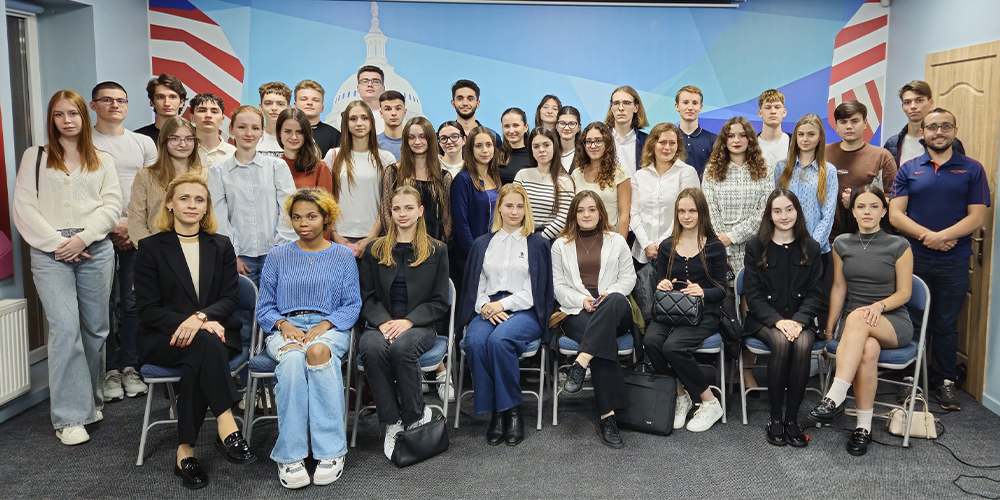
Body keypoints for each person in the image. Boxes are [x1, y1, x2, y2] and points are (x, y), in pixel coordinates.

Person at [12, 89, 122, 445]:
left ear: (83, 116)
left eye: (73, 113)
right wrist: (59, 244)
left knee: (95, 329)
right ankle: (69, 417)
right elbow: (24, 206)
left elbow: (112, 205)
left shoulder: (101, 158)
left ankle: (89, 401)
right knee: (64, 328)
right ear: (52, 119)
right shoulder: (36, 156)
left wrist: (84, 238)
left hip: (95, 248)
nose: (67, 120)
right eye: (59, 115)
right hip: (50, 251)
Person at [133, 173, 256, 489]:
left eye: (199, 199)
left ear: (206, 208)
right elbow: (148, 309)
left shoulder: (221, 245)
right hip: (164, 337)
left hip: (213, 335)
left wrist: (200, 317)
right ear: (170, 204)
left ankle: (185, 453)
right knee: (203, 345)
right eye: (184, 198)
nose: (191, 204)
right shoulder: (150, 248)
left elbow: (230, 298)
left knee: (197, 360)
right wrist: (195, 322)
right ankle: (227, 427)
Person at [257, 188, 361, 489]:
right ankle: (290, 455)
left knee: (317, 352)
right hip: (285, 327)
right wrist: (282, 323)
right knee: (290, 360)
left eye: (312, 216)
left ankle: (330, 451)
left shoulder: (342, 255)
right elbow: (264, 307)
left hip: (329, 327)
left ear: (326, 218)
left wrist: (327, 324)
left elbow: (352, 304)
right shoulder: (278, 255)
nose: (304, 223)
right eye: (297, 217)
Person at [889, 108, 989, 411]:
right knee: (913, 321)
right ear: (923, 133)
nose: (939, 132)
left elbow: (977, 216)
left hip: (954, 260)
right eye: (933, 127)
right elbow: (895, 215)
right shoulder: (908, 168)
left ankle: (945, 382)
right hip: (914, 259)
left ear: (954, 131)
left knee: (946, 323)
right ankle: (909, 379)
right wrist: (928, 237)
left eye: (946, 126)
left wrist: (942, 237)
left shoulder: (973, 169)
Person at [810, 185, 913, 457]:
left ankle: (834, 395)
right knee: (868, 350)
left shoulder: (899, 245)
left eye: (874, 206)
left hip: (892, 320)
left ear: (884, 210)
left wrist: (879, 306)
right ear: (852, 211)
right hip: (856, 328)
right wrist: (830, 327)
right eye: (861, 207)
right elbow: (839, 288)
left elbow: (905, 292)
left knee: (858, 316)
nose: (867, 212)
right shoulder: (841, 243)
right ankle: (863, 427)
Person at [456, 183, 553, 446]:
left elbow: (536, 290)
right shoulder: (483, 243)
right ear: (499, 207)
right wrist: (485, 306)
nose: (514, 211)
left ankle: (512, 412)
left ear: (526, 209)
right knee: (475, 342)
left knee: (500, 341)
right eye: (509, 205)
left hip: (525, 310)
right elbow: (476, 284)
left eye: (519, 206)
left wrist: (503, 305)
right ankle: (497, 412)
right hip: (488, 307)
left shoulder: (537, 243)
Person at [359, 186, 450, 460]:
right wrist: (385, 322)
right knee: (372, 349)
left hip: (420, 325)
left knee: (401, 349)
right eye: (396, 209)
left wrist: (408, 322)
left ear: (421, 211)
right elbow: (366, 297)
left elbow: (439, 301)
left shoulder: (437, 250)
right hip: (381, 323)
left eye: (409, 208)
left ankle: (415, 417)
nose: (402, 214)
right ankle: (392, 422)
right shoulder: (375, 249)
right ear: (390, 213)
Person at [551, 191, 635, 447]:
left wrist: (607, 295)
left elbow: (629, 279)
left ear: (600, 212)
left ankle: (580, 362)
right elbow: (558, 286)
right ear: (574, 214)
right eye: (581, 210)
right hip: (575, 310)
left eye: (591, 210)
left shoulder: (617, 241)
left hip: (612, 305)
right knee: (600, 339)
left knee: (616, 301)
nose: (586, 215)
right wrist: (582, 301)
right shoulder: (560, 244)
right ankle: (607, 417)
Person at [90, 81, 157, 402]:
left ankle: (130, 367)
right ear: (93, 106)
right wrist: (108, 225)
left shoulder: (142, 143)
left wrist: (132, 225)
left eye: (121, 100)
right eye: (107, 100)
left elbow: (153, 190)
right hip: (96, 235)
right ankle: (108, 371)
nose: (115, 105)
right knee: (101, 305)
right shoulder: (82, 141)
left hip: (136, 233)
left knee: (131, 305)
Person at [743, 188, 824, 448]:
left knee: (800, 344)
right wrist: (779, 321)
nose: (784, 216)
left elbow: (816, 293)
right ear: (770, 215)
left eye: (789, 209)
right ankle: (775, 418)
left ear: (797, 212)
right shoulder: (756, 246)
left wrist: (799, 321)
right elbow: (752, 295)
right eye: (777, 211)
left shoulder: (810, 246)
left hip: (801, 319)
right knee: (781, 342)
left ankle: (792, 420)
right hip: (765, 320)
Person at [642, 188, 728, 432]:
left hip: (704, 312)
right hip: (671, 310)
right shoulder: (667, 246)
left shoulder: (714, 247)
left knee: (673, 347)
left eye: (692, 210)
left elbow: (722, 289)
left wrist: (703, 291)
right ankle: (681, 396)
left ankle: (709, 402)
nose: (686, 216)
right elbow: (660, 282)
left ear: (702, 212)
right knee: (650, 342)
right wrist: (663, 284)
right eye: (681, 211)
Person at [208, 105, 297, 286]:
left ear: (262, 132)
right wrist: (231, 255)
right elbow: (218, 218)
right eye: (242, 127)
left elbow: (289, 210)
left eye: (255, 128)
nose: (249, 133)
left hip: (275, 253)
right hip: (240, 257)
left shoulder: (276, 167)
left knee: (277, 308)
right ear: (231, 129)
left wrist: (280, 250)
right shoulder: (218, 171)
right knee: (244, 310)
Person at [702, 116, 773, 277]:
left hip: (756, 248)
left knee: (752, 298)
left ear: (750, 139)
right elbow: (710, 211)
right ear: (724, 140)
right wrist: (722, 246)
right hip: (720, 250)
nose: (737, 140)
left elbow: (765, 212)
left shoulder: (765, 170)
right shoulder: (711, 171)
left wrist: (733, 236)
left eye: (742, 135)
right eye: (731, 136)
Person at [324, 100, 395, 255]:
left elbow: (387, 201)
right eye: (353, 119)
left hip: (375, 238)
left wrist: (371, 237)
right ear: (346, 123)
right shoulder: (333, 155)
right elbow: (325, 200)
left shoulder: (385, 158)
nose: (359, 123)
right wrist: (334, 234)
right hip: (339, 238)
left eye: (364, 118)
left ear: (371, 122)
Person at [824, 101, 897, 244]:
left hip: (867, 238)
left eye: (855, 121)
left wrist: (856, 199)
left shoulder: (882, 157)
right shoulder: (822, 153)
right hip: (827, 237)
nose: (849, 126)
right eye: (843, 122)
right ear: (837, 126)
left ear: (865, 123)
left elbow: (894, 200)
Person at [128, 117, 207, 246]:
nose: (182, 144)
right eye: (175, 139)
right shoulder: (145, 176)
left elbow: (212, 217)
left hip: (196, 247)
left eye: (188, 139)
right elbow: (136, 220)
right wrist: (151, 251)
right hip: (155, 250)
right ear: (164, 141)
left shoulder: (205, 175)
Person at [630, 122, 700, 265]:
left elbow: (686, 213)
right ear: (652, 145)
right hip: (642, 254)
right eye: (662, 142)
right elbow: (634, 214)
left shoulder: (686, 173)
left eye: (672, 143)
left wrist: (663, 244)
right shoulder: (639, 176)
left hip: (677, 252)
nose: (667, 148)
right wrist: (646, 244)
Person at [380, 116, 452, 243]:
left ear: (430, 138)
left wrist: (439, 246)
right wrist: (396, 243)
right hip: (399, 246)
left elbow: (447, 218)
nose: (417, 142)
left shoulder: (443, 177)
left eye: (422, 136)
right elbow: (386, 212)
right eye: (411, 137)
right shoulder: (393, 172)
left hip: (433, 247)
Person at [775, 114, 838, 260]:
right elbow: (776, 209)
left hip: (816, 251)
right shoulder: (782, 168)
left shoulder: (829, 171)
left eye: (811, 134)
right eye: (801, 134)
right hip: (785, 247)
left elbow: (828, 214)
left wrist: (811, 246)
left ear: (820, 137)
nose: (805, 139)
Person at [450, 126, 502, 273]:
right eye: (478, 146)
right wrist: (476, 254)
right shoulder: (463, 180)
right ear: (470, 150)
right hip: (472, 255)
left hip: (496, 252)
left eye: (488, 145)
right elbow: (461, 224)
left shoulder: (495, 177)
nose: (485, 150)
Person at [883, 80, 965, 168]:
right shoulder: (892, 144)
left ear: (931, 103)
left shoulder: (951, 142)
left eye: (919, 100)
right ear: (903, 107)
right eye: (907, 102)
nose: (913, 106)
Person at [570, 122, 630, 239]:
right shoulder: (576, 174)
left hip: (609, 238)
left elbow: (624, 214)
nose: (593, 146)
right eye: (589, 141)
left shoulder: (620, 174)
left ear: (607, 144)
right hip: (580, 239)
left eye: (598, 141)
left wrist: (621, 244)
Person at [514, 126, 575, 240]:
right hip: (520, 237)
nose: (541, 150)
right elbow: (514, 208)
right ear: (531, 150)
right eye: (536, 146)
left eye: (546, 145)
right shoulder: (522, 175)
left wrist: (540, 239)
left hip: (548, 242)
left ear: (554, 147)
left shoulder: (565, 180)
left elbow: (564, 218)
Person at [276, 108, 333, 192]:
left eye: (300, 132)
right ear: (279, 133)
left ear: (306, 134)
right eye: (288, 131)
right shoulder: (274, 168)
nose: (294, 137)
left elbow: (325, 204)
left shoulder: (320, 168)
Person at [604, 85, 649, 176]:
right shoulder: (601, 139)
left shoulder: (647, 141)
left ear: (636, 108)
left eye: (626, 103)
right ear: (611, 108)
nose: (621, 108)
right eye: (616, 103)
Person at [675, 85, 717, 178]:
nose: (690, 107)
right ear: (677, 106)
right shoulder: (669, 140)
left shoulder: (714, 140)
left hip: (704, 192)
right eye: (685, 102)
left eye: (695, 103)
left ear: (700, 107)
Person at [293, 79, 341, 157]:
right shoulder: (285, 133)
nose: (309, 103)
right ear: (295, 106)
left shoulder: (335, 135)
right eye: (304, 99)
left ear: (322, 108)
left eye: (315, 100)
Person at [135, 74, 186, 144]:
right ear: (152, 102)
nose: (167, 103)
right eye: (160, 97)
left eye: (172, 97)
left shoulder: (195, 135)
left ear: (181, 102)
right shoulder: (139, 137)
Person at [190, 93, 236, 168]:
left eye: (214, 112)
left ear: (222, 119)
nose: (208, 115)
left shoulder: (234, 154)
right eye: (202, 111)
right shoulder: (183, 150)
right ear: (192, 118)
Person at [450, 79, 501, 145]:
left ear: (478, 103)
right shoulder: (443, 138)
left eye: (470, 99)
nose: (465, 103)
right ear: (453, 103)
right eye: (460, 99)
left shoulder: (493, 137)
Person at [756, 89, 790, 168]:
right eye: (768, 107)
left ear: (784, 112)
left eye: (777, 107)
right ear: (760, 113)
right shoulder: (750, 145)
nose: (773, 111)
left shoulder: (795, 143)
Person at [257, 81, 291, 158]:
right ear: (261, 106)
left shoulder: (300, 138)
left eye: (280, 104)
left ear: (289, 108)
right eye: (268, 103)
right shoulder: (251, 137)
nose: (274, 108)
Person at [498, 107, 531, 184]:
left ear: (526, 127)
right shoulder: (496, 155)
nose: (511, 130)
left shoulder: (534, 156)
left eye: (516, 125)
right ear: (502, 128)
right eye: (507, 126)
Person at [376, 90, 407, 161]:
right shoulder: (373, 143)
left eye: (398, 108)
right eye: (388, 109)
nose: (393, 113)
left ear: (404, 112)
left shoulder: (414, 143)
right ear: (381, 113)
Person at [356, 65, 387, 133]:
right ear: (358, 88)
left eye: (376, 81)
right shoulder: (344, 118)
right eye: (365, 81)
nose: (370, 85)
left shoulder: (393, 118)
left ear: (383, 89)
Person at [556, 106, 582, 172]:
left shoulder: (585, 153)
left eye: (572, 124)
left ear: (579, 127)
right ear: (557, 126)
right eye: (562, 123)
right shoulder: (550, 153)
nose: (567, 128)